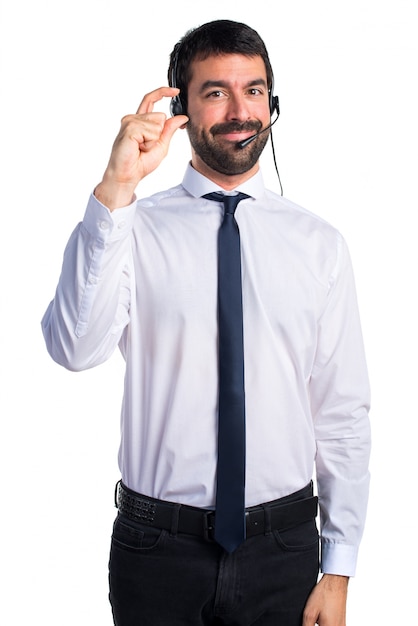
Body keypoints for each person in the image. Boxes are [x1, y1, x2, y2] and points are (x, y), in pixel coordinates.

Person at [41, 19, 371, 626]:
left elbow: (342, 412)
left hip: (285, 549)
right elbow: (73, 347)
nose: (240, 110)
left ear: (274, 105)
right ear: (180, 108)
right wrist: (115, 190)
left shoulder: (320, 244)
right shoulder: (125, 229)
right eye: (216, 92)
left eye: (255, 91)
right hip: (156, 551)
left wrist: (340, 566)